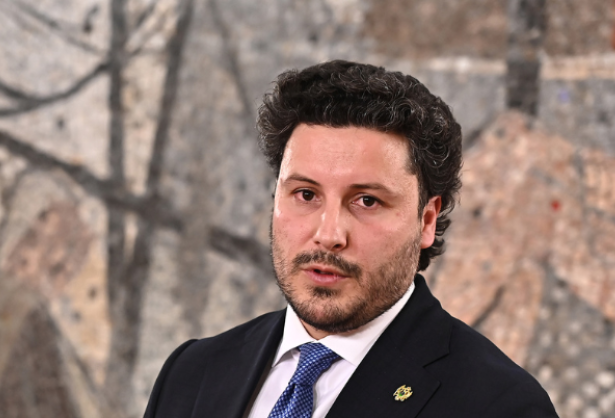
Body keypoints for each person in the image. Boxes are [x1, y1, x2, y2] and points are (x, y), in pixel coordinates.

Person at [143, 60, 558, 418]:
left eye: (367, 201)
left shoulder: (500, 406)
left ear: (427, 220)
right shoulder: (192, 372)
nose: (328, 235)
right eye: (306, 195)